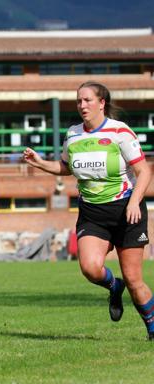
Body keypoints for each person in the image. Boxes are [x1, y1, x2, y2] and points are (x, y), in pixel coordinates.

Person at [23, 81, 153, 340]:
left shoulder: (120, 132)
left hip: (127, 210)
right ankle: (114, 287)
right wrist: (39, 163)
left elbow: (144, 171)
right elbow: (66, 167)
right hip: (93, 212)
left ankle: (152, 329)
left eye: (87, 100)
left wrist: (133, 202)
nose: (82, 105)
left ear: (102, 103)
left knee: (134, 279)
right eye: (79, 101)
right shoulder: (73, 135)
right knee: (91, 268)